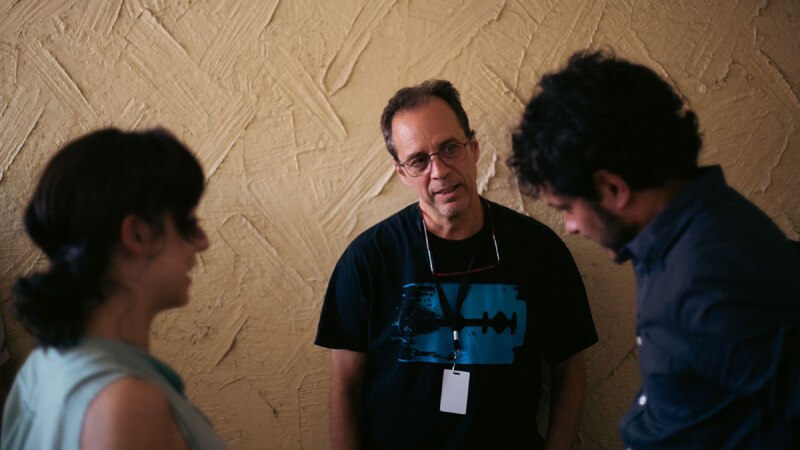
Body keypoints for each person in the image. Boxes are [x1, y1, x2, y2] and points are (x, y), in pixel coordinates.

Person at [508, 50, 800, 449]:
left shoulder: (713, 276)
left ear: (613, 189)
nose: (571, 227)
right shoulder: (683, 234)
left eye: (567, 208)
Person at [315, 80, 598, 449]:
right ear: (401, 173)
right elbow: (345, 389)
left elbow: (570, 371)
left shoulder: (538, 250)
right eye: (418, 160)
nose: (440, 170)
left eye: (450, 148)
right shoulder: (368, 260)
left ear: (473, 148)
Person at [2, 128, 228, 450]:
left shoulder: (46, 363)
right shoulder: (128, 402)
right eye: (188, 224)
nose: (203, 243)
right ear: (137, 235)